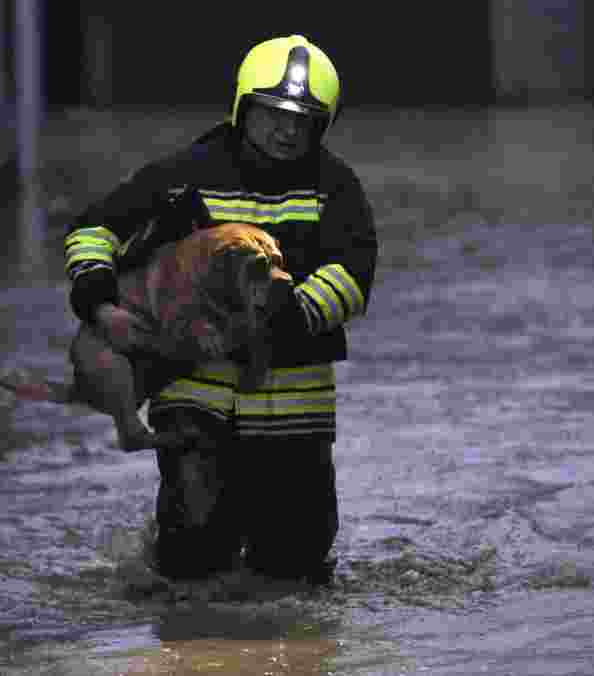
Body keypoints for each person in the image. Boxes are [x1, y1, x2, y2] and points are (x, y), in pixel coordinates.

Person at [63, 35, 378, 583]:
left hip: (296, 403)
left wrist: (290, 315)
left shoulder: (336, 189)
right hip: (194, 392)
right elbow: (93, 231)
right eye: (272, 114)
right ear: (242, 108)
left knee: (296, 564)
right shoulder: (185, 176)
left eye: (303, 120)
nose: (286, 130)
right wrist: (99, 303)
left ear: (322, 125)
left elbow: (353, 275)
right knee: (192, 556)